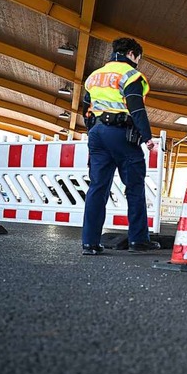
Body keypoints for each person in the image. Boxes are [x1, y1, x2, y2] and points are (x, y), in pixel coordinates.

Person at [80, 37, 160, 255]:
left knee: (97, 187)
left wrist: (93, 130)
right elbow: (136, 108)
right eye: (139, 58)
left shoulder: (94, 76)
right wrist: (147, 137)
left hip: (97, 133)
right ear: (132, 54)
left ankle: (90, 243)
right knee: (134, 187)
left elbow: (86, 107)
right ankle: (138, 240)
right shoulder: (131, 75)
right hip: (121, 134)